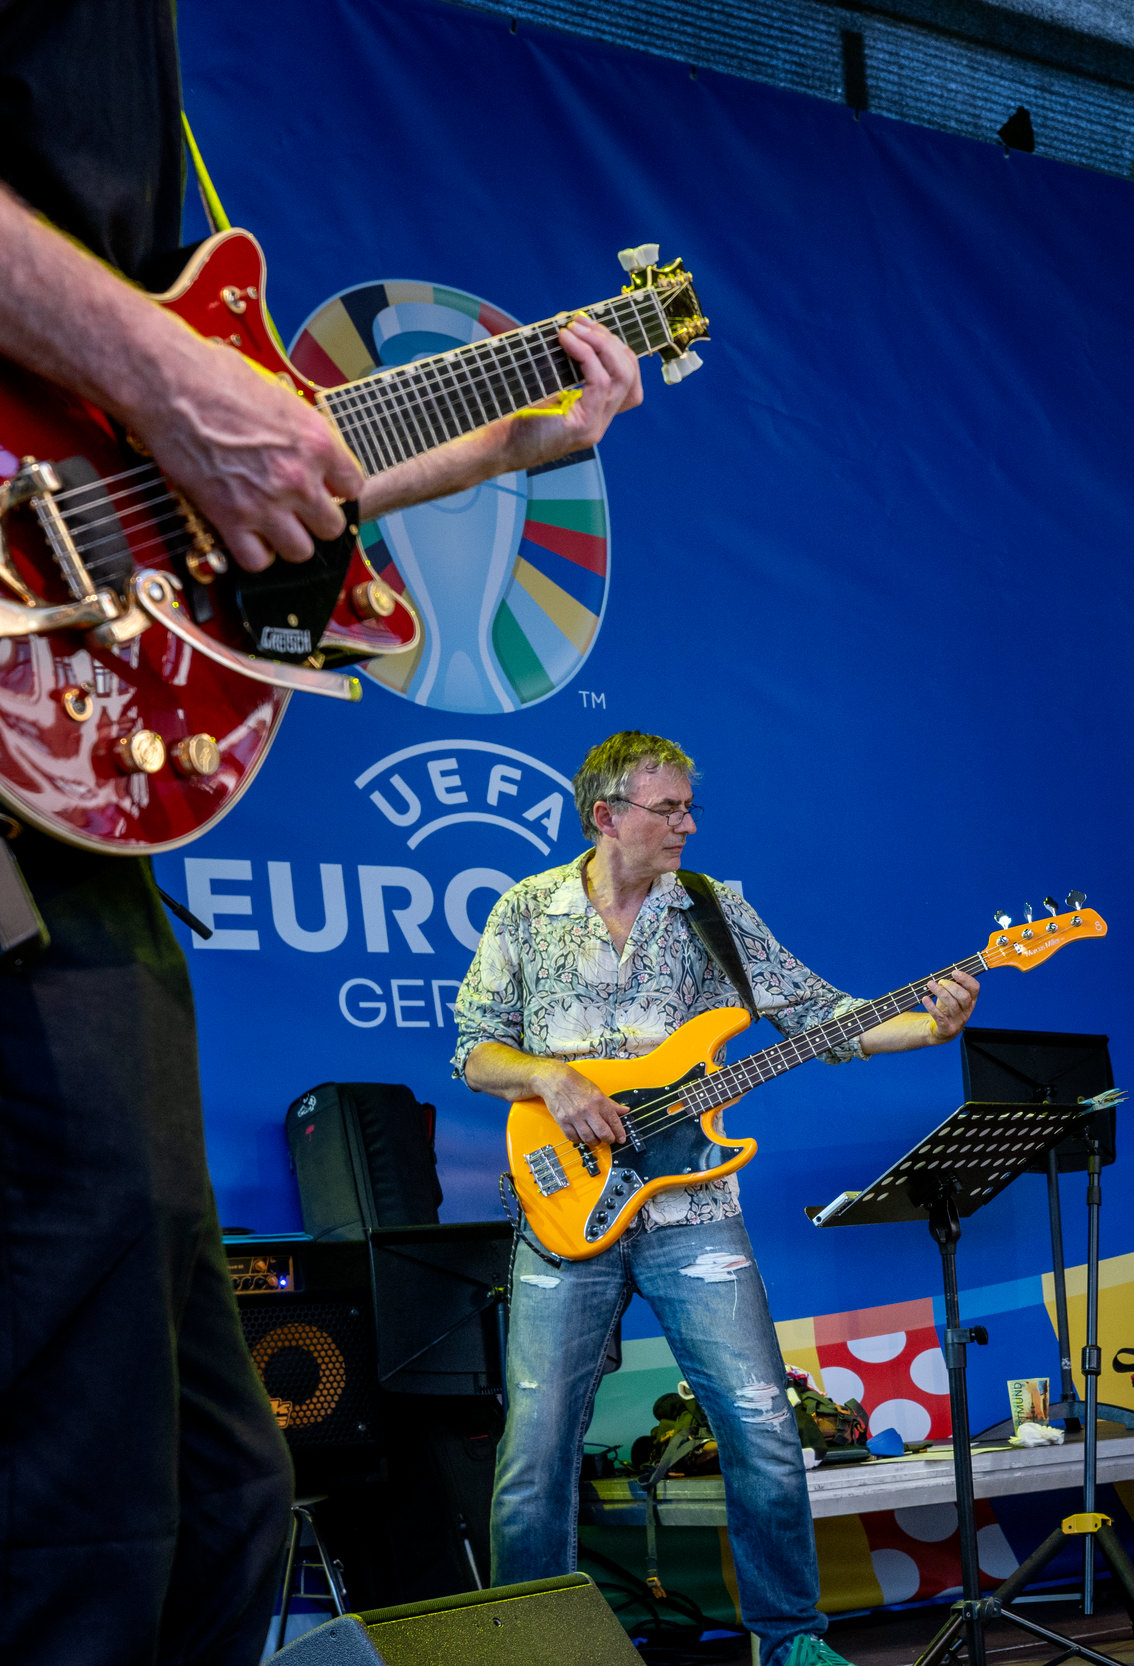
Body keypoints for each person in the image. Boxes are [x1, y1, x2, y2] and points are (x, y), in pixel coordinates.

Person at [0, 8, 645, 1662]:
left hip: (72, 831)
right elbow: (191, 413)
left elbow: (207, 479)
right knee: (77, 1482)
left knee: (209, 1488)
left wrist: (501, 443)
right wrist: (172, 377)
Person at [454, 731, 977, 1666]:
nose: (687, 825)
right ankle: (532, 1653)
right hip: (562, 1206)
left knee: (763, 1425)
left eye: (690, 808)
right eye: (668, 809)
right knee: (533, 1451)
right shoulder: (526, 910)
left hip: (693, 1211)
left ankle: (791, 1642)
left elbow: (818, 1018)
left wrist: (928, 1031)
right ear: (606, 815)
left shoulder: (711, 908)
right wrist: (548, 1078)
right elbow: (473, 1050)